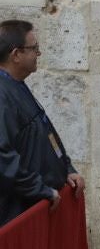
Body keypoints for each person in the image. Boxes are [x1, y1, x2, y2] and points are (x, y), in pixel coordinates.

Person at [0, 19, 81, 225]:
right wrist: (41, 190)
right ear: (16, 54)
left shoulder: (17, 86)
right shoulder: (2, 95)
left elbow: (45, 131)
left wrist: (66, 168)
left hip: (39, 204)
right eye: (34, 48)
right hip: (19, 213)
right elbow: (3, 158)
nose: (39, 53)